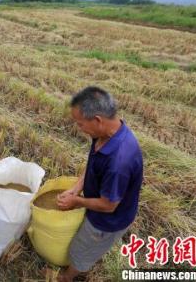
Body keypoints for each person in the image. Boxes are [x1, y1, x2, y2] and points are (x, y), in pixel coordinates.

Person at [57, 86, 143, 281]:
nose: (79, 128)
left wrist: (76, 202)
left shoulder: (119, 161)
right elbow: (93, 163)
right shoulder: (103, 134)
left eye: (80, 124)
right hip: (101, 205)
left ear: (97, 120)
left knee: (81, 251)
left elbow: (108, 205)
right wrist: (75, 188)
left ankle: (67, 277)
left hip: (107, 221)